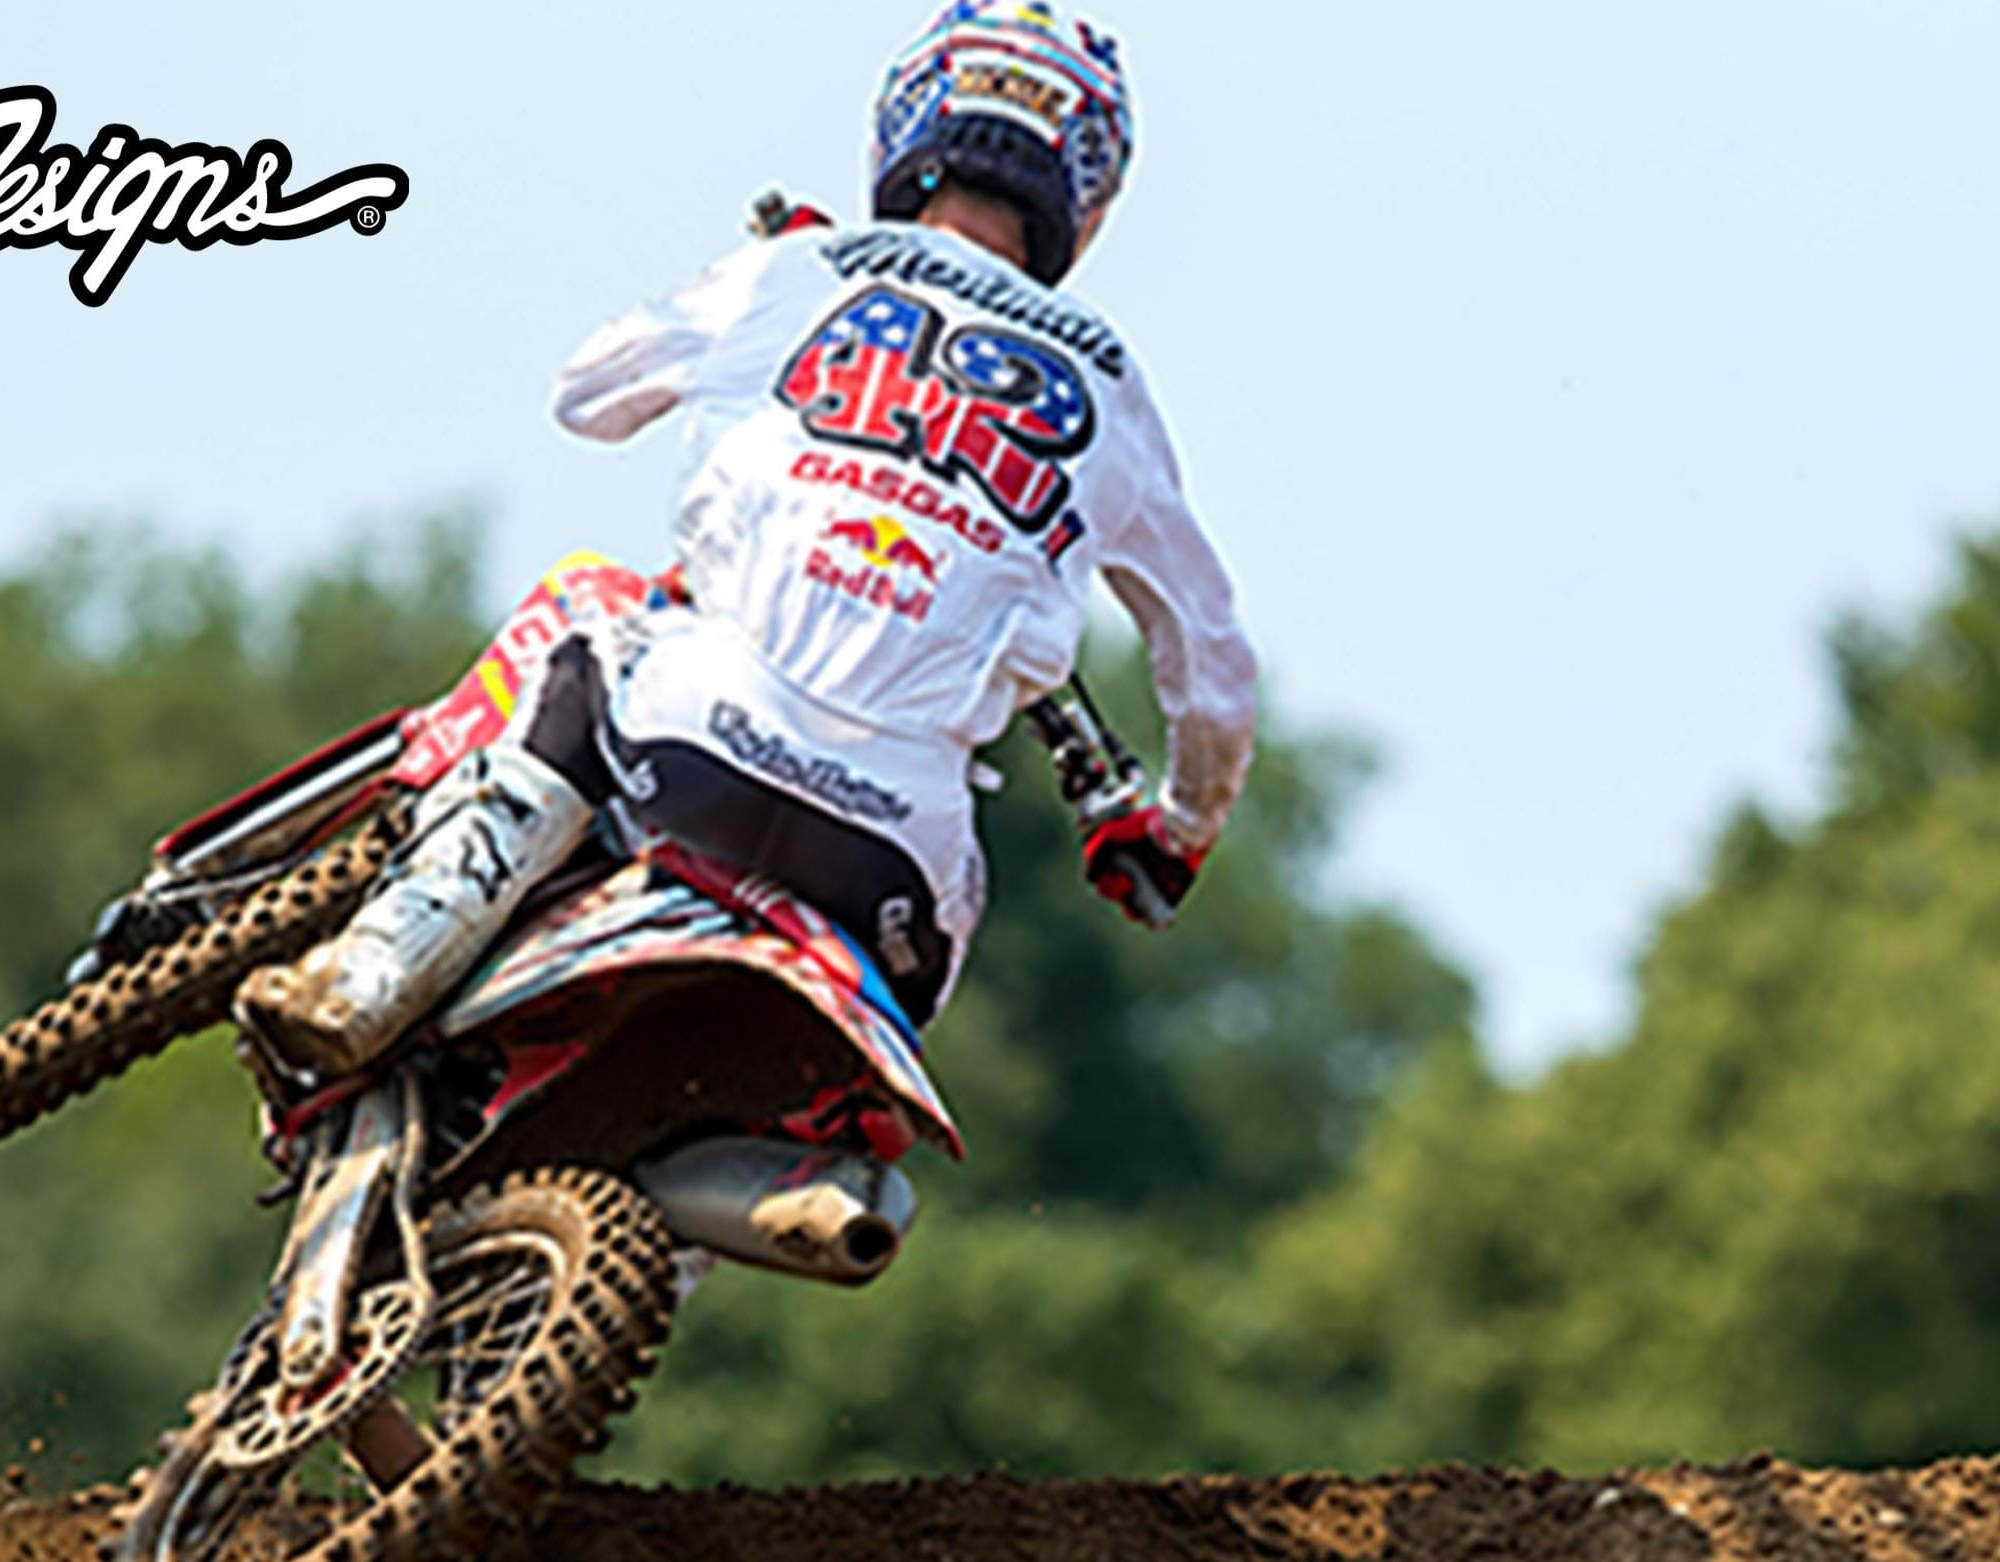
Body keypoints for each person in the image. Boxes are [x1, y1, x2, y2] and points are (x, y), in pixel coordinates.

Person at [239, 0, 1245, 1071]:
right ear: (1087, 193)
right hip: (893, 866)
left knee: (587, 611)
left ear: (911, 120)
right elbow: (1216, 667)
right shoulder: (1115, 386)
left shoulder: (803, 272)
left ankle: (379, 964)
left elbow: (586, 397)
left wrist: (761, 303)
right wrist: (1177, 830)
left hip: (690, 738)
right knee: (902, 973)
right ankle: (754, 1193)